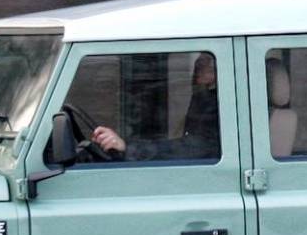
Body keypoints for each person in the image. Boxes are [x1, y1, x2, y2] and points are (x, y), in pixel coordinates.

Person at [90, 52, 219, 161]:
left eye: (203, 67)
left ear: (215, 74)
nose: (196, 74)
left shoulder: (216, 105)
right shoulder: (202, 97)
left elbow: (194, 148)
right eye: (197, 67)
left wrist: (127, 148)